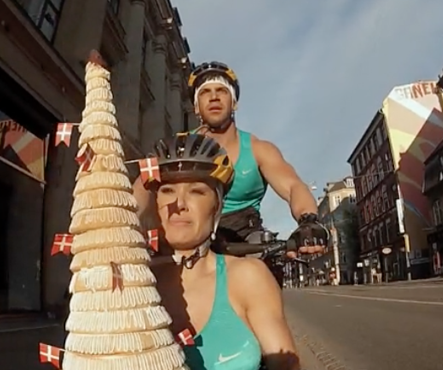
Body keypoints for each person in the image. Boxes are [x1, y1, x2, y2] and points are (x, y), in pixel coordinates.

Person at [0, 134, 327, 370]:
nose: (179, 204)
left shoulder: (246, 276)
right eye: (167, 192)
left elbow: (285, 368)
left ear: (217, 208)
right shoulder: (130, 282)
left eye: (197, 192)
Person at [133, 61, 328, 270]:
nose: (214, 97)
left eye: (222, 91)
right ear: (196, 107)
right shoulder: (176, 147)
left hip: (243, 239)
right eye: (205, 92)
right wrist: (123, 224)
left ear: (234, 103)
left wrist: (308, 221)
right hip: (190, 235)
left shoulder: (259, 149)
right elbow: (141, 190)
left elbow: (293, 186)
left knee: (262, 275)